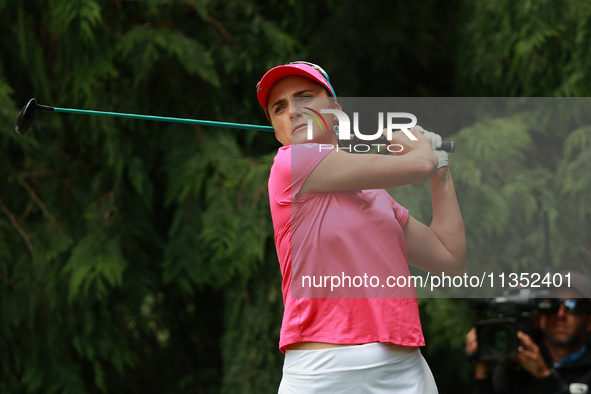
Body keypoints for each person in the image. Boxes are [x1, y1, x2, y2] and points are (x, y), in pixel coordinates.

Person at [257, 61, 466, 393]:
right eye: (279, 108)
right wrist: (419, 146)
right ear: (277, 130)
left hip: (403, 367)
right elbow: (417, 164)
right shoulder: (289, 165)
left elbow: (450, 258)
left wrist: (440, 166)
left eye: (305, 97)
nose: (293, 111)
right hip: (321, 371)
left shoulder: (376, 197)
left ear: (336, 111)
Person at [466, 270, 591, 394]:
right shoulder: (518, 363)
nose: (560, 314)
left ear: (589, 322)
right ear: (541, 316)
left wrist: (544, 375)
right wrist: (481, 374)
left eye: (573, 306)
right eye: (552, 305)